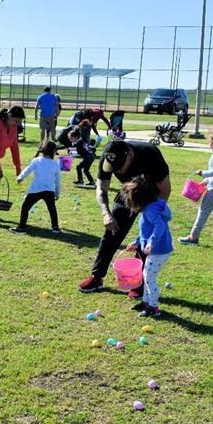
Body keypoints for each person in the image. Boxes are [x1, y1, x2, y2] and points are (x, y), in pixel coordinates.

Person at [77, 138, 171, 296]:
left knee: (147, 235)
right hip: (129, 191)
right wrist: (106, 214)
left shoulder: (150, 154)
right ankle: (97, 276)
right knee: (112, 231)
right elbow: (101, 188)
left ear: (129, 155)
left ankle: (138, 283)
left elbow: (165, 188)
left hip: (152, 193)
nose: (117, 171)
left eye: (120, 167)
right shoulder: (108, 156)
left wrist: (155, 212)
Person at [123, 174, 173, 317]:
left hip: (158, 250)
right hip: (155, 249)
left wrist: (151, 242)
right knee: (146, 276)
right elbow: (146, 229)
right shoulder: (150, 207)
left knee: (149, 278)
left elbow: (159, 226)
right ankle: (146, 302)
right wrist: (137, 241)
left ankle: (153, 307)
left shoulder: (151, 210)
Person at [10, 140, 61, 234]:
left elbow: (28, 169)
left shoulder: (37, 160)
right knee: (52, 209)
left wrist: (21, 177)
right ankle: (55, 227)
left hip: (36, 189)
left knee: (25, 207)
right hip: (49, 191)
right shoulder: (55, 164)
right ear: (53, 152)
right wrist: (57, 193)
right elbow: (58, 181)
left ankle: (21, 227)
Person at [57, 120, 97, 186]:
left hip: (88, 158)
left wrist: (69, 155)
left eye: (71, 139)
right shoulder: (80, 141)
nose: (70, 140)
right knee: (85, 170)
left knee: (78, 167)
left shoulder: (78, 143)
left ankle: (81, 181)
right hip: (91, 157)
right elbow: (70, 147)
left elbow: (75, 152)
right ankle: (92, 182)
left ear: (75, 137)